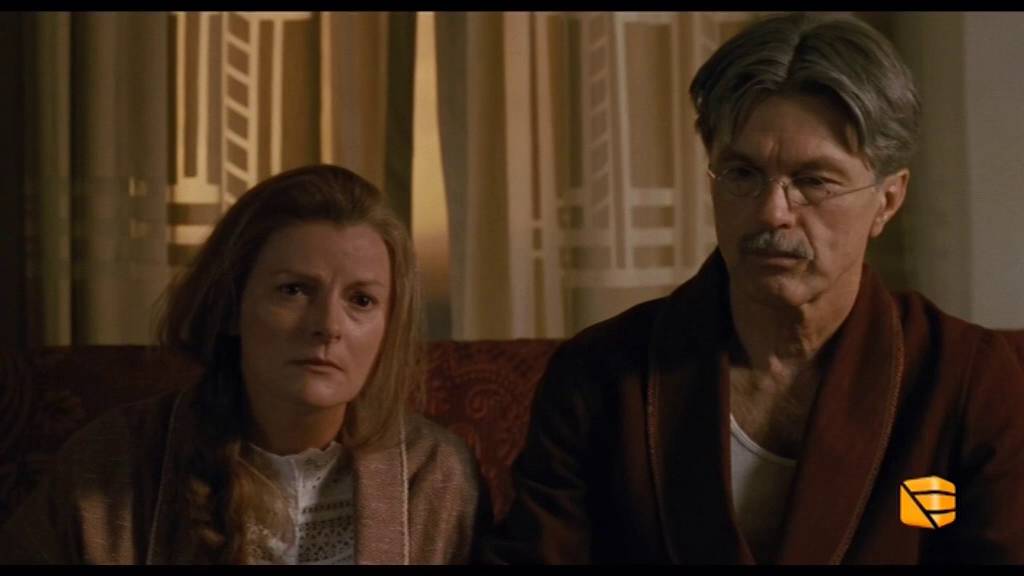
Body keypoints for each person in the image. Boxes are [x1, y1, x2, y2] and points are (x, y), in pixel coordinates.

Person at [480, 12, 1024, 564]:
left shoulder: (965, 378)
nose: (772, 212)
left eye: (813, 180)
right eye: (742, 174)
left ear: (887, 200)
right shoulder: (602, 374)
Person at [0, 164, 485, 564]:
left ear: (388, 325)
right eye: (294, 290)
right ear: (231, 305)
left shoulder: (436, 476)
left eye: (361, 300)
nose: (328, 326)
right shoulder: (114, 458)